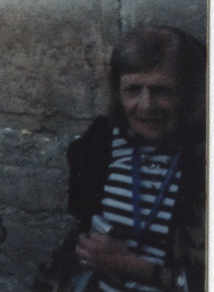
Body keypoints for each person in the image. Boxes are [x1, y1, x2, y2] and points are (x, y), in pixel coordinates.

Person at [61, 27, 205, 292]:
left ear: (191, 93)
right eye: (133, 89)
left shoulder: (203, 157)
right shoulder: (102, 143)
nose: (145, 105)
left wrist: (141, 271)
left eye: (162, 90)